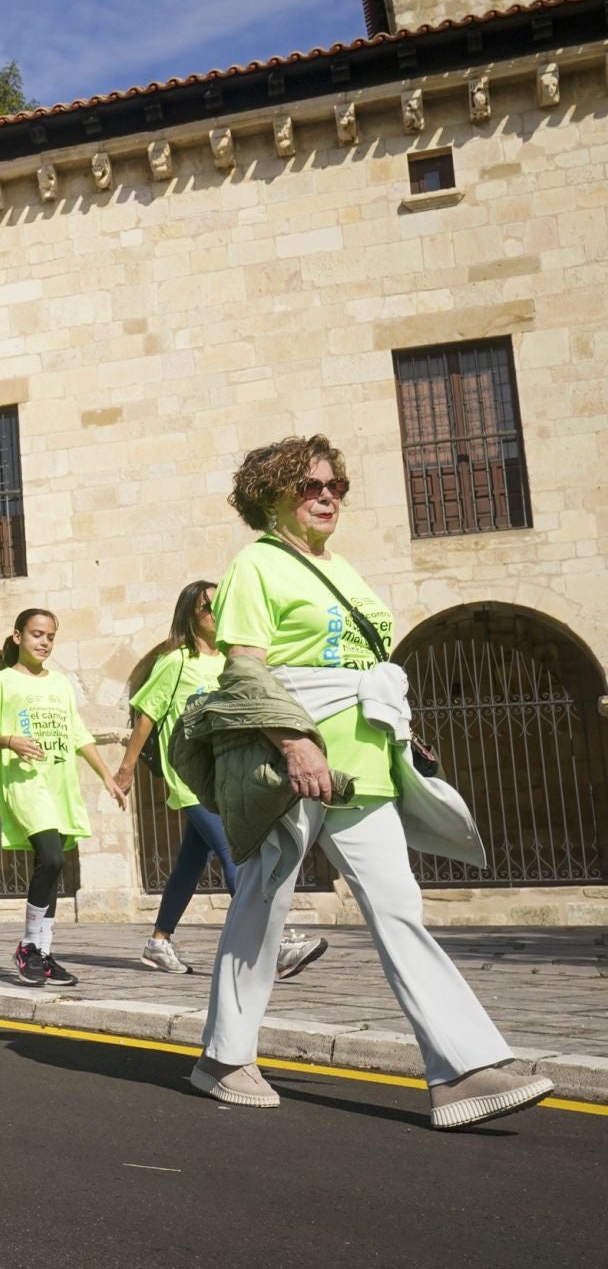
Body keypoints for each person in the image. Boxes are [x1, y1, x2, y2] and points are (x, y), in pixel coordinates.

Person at [188, 434, 552, 1129]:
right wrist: (295, 743)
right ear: (269, 495)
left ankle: (461, 1070)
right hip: (297, 758)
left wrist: (400, 731)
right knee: (263, 902)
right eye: (309, 486)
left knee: (398, 906)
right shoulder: (255, 566)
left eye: (336, 486)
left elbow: (365, 663)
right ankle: (225, 1058)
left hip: (368, 759)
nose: (327, 496)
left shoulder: (345, 569)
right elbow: (246, 669)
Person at [116, 582, 328, 979]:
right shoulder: (176, 662)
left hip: (222, 776)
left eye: (222, 605)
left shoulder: (232, 661)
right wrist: (125, 771)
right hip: (189, 777)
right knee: (238, 851)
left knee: (191, 862)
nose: (217, 613)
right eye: (207, 608)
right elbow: (146, 716)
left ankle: (158, 943)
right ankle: (273, 945)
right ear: (190, 616)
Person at [0, 609, 128, 988]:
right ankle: (28, 947)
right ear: (17, 637)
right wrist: (11, 740)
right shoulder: (1, 682)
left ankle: (43, 953)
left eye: (50, 637)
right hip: (25, 783)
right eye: (36, 635)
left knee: (57, 866)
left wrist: (107, 776)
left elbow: (78, 734)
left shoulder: (60, 684)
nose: (43, 643)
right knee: (51, 857)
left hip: (59, 785)